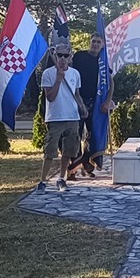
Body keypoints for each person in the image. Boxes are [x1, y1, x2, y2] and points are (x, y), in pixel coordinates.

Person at [38, 45, 88, 193]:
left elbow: (76, 94)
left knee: (69, 150)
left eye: (66, 56)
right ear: (55, 56)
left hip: (72, 117)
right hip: (55, 118)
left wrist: (82, 106)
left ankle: (61, 178)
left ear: (70, 57)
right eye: (59, 55)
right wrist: (58, 80)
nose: (62, 58)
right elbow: (50, 97)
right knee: (50, 151)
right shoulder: (48, 73)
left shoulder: (75, 74)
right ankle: (43, 180)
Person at [69, 33, 114, 177]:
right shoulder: (79, 56)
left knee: (92, 135)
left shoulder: (103, 62)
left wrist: (107, 101)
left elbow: (110, 83)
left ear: (102, 45)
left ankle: (87, 164)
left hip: (95, 103)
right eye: (93, 41)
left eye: (98, 42)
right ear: (90, 42)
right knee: (75, 134)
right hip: (78, 100)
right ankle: (72, 168)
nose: (95, 44)